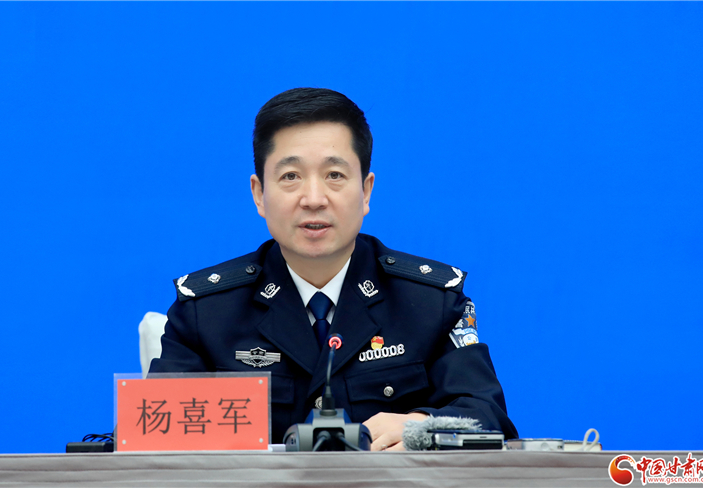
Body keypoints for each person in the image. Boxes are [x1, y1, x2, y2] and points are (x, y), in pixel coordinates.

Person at [149, 87, 518, 450]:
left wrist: (419, 427)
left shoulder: (429, 303)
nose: (313, 199)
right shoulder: (206, 312)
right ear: (259, 194)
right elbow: (151, 430)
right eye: (290, 176)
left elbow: (488, 417)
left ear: (366, 191)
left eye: (335, 175)